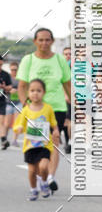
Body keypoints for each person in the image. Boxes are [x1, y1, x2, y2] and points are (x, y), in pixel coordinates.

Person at [17, 29, 71, 192]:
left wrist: (75, 105)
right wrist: (25, 105)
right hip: (35, 110)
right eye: (40, 40)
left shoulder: (59, 59)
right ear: (35, 41)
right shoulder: (28, 60)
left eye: (47, 40)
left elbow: (67, 83)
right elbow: (22, 86)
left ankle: (49, 177)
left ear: (52, 41)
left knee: (54, 141)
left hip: (57, 107)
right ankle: (41, 172)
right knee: (37, 142)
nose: (44, 43)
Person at [13, 78, 59, 200]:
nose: (35, 93)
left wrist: (56, 130)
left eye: (38, 90)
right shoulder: (26, 110)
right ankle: (33, 189)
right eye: (32, 90)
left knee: (44, 166)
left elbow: (53, 123)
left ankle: (44, 183)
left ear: (44, 92)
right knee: (32, 171)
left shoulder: (48, 108)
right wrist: (18, 129)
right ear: (28, 93)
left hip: (44, 145)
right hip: (30, 146)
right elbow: (19, 124)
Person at [6, 61, 21, 145]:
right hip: (8, 102)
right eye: (12, 70)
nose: (14, 72)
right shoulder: (7, 78)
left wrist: (17, 91)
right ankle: (4, 138)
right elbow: (3, 89)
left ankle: (14, 140)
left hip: (18, 103)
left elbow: (24, 90)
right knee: (7, 123)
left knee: (16, 122)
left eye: (15, 70)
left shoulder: (20, 78)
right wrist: (9, 90)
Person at [0, 55, 12, 149]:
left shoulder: (5, 74)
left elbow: (10, 87)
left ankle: (3, 139)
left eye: (1, 65)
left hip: (2, 100)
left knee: (2, 121)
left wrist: (4, 87)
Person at [62, 45, 72, 153]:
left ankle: (69, 142)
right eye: (66, 54)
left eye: (70, 54)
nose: (68, 56)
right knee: (65, 121)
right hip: (59, 97)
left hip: (70, 96)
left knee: (69, 120)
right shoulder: (59, 66)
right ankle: (67, 141)